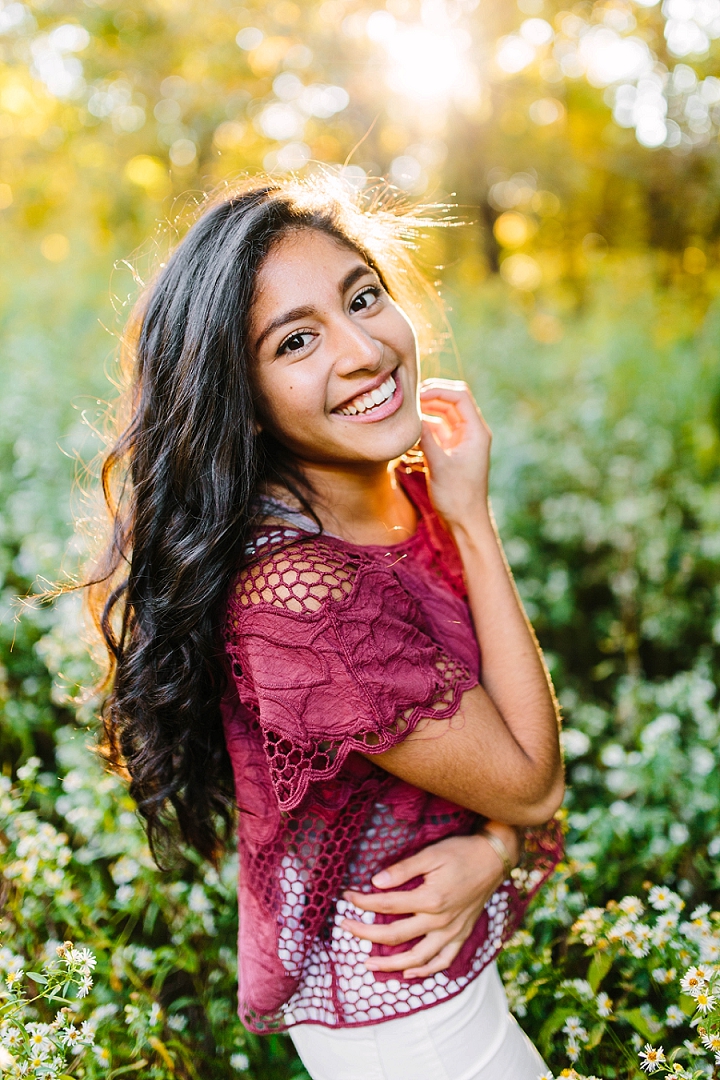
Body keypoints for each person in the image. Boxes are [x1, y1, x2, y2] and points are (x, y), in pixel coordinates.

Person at [88, 174, 565, 1080]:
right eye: (297, 340)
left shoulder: (394, 493)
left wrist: (496, 847)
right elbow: (532, 781)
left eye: (364, 297)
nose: (363, 350)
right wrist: (474, 522)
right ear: (241, 392)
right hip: (404, 1022)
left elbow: (500, 751)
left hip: (444, 978)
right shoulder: (301, 599)